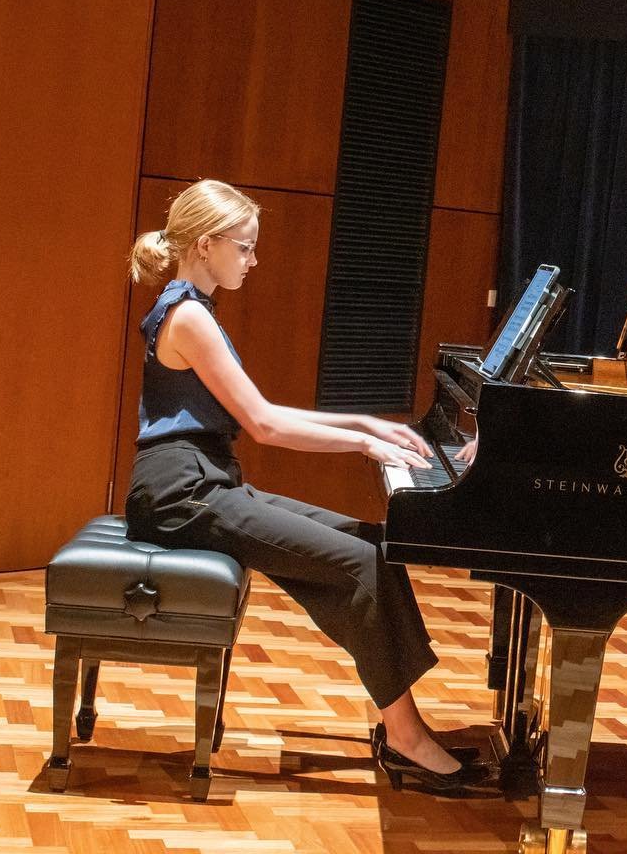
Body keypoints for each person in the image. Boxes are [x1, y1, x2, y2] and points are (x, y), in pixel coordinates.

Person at [124, 179, 487, 794]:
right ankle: (406, 737)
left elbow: (261, 408)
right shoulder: (188, 316)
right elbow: (264, 425)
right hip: (182, 499)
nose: (253, 260)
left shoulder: (189, 306)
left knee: (372, 544)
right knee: (356, 566)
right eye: (245, 247)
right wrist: (362, 443)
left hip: (207, 483)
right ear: (207, 245)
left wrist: (362, 421)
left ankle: (401, 726)